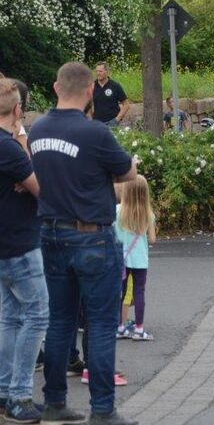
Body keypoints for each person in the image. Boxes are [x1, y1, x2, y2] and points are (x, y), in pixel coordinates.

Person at [29, 61, 138, 425]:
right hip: (92, 237)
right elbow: (127, 172)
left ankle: (55, 402)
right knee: (102, 323)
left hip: (50, 234)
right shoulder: (95, 134)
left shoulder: (37, 130)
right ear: (91, 91)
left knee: (59, 322)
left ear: (56, 88)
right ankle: (103, 410)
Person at [0, 78, 49, 424]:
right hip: (19, 243)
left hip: (4, 244)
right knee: (36, 315)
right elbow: (41, 190)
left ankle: (4, 392)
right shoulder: (8, 147)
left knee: (10, 317)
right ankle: (19, 395)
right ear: (18, 110)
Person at [113, 175, 157, 341]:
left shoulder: (117, 211)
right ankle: (139, 329)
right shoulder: (148, 214)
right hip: (139, 260)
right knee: (139, 292)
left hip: (121, 259)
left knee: (121, 293)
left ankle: (120, 327)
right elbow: (152, 239)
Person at [92, 62, 129, 127]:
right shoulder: (92, 86)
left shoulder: (115, 86)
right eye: (96, 71)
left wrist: (117, 119)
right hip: (97, 124)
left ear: (107, 72)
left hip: (112, 123)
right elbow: (87, 105)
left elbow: (126, 105)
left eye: (100, 71)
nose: (98, 73)